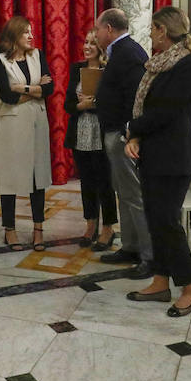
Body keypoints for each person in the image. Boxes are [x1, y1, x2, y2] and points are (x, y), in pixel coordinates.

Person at [123, 7, 191, 316]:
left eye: (153, 28)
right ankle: (161, 282)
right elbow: (145, 108)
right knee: (155, 220)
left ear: (164, 29)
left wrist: (133, 129)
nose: (150, 33)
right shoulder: (158, 64)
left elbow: (168, 112)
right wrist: (135, 138)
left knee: (168, 223)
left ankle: (190, 288)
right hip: (153, 153)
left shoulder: (188, 65)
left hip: (175, 156)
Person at [94, 8, 153, 275]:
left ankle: (149, 255)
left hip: (122, 134)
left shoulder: (127, 52)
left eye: (97, 29)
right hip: (116, 131)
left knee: (134, 194)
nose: (95, 35)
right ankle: (130, 246)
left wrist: (129, 133)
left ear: (108, 29)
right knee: (125, 194)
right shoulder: (120, 51)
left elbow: (136, 98)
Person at [0, 15, 54, 252]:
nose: (31, 36)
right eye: (26, 32)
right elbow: (7, 96)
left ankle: (38, 230)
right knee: (10, 178)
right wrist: (36, 90)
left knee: (37, 177)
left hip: (37, 123)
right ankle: (10, 230)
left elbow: (50, 89)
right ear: (14, 35)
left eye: (31, 31)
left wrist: (23, 89)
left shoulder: (38, 56)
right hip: (11, 127)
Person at [65, 29, 117, 250]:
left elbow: (115, 104)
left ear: (101, 48)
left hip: (101, 133)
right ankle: (90, 224)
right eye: (85, 42)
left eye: (92, 44)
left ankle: (108, 228)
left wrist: (94, 104)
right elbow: (67, 104)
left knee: (104, 182)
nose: (86, 47)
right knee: (86, 182)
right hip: (81, 134)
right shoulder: (77, 69)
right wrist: (80, 106)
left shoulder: (109, 71)